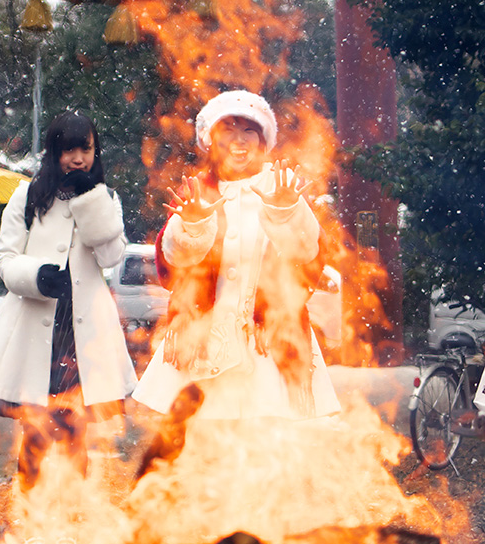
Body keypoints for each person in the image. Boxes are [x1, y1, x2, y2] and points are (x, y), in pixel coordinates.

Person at [0, 111, 137, 544]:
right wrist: (37, 276)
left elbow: (112, 254)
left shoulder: (105, 197)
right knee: (36, 436)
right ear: (54, 151)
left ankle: (65, 528)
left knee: (75, 437)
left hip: (80, 338)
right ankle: (35, 531)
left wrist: (92, 202)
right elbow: (4, 260)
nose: (78, 158)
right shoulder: (28, 195)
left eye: (86, 148)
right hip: (36, 331)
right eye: (69, 149)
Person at [133, 89, 340, 421]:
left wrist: (284, 211)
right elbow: (174, 263)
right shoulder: (197, 191)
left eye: (249, 130)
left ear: (262, 141)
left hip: (269, 341)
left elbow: (306, 255)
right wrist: (195, 224)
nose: (239, 140)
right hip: (203, 336)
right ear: (211, 141)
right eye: (228, 129)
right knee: (204, 442)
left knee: (266, 445)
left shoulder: (281, 188)